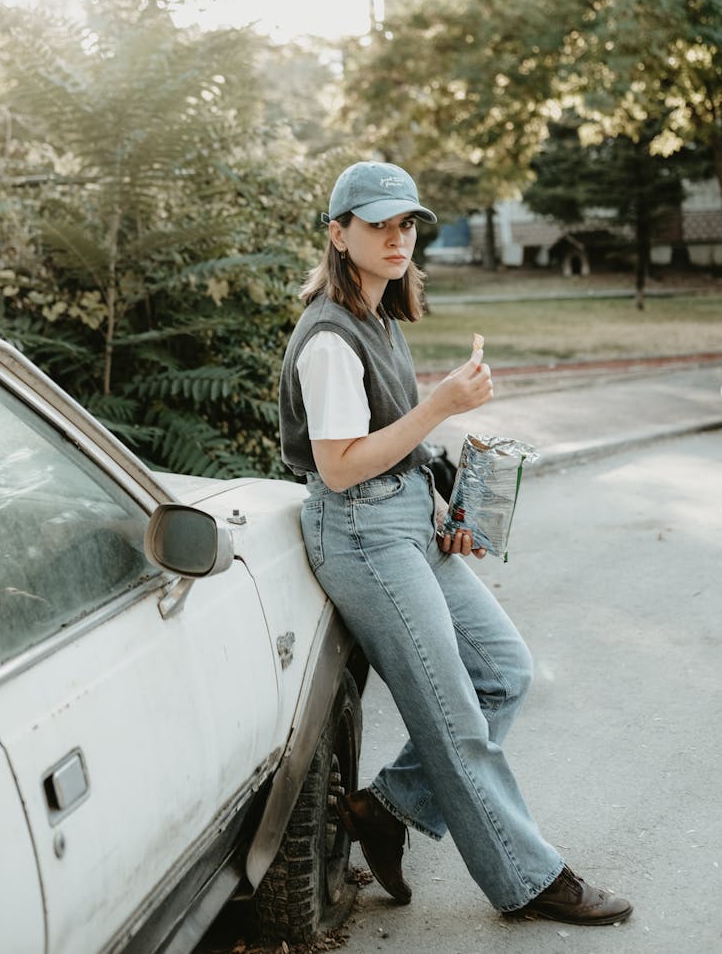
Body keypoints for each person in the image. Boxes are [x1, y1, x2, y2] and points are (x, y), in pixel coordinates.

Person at [278, 160, 632, 926]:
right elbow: (339, 467)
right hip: (364, 536)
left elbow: (390, 447)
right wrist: (440, 404)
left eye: (406, 223)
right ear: (338, 234)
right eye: (377, 224)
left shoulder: (377, 316)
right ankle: (530, 878)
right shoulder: (329, 337)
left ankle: (388, 806)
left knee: (503, 670)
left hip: (405, 521)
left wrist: (442, 496)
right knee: (453, 715)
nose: (397, 237)